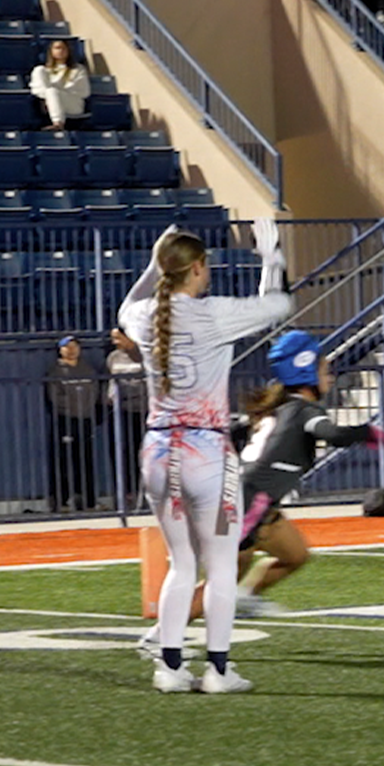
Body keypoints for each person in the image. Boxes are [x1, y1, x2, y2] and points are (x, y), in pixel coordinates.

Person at [120, 221, 291, 694]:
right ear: (196, 268)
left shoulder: (145, 315)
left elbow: (126, 307)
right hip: (207, 454)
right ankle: (218, 671)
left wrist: (153, 264)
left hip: (158, 451)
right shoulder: (213, 313)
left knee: (181, 564)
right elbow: (277, 305)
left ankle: (170, 668)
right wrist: (272, 257)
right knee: (219, 566)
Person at [145, 330, 384, 645]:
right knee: (222, 579)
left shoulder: (279, 409)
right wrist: (366, 432)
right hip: (246, 505)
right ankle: (162, 637)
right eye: (324, 369)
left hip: (255, 504)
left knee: (295, 555)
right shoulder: (305, 411)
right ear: (306, 371)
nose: (330, 377)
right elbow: (334, 435)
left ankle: (247, 597)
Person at [45, 334, 101, 514]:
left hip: (85, 419)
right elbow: (55, 397)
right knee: (63, 461)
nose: (71, 350)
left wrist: (87, 409)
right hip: (65, 420)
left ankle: (88, 501)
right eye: (67, 347)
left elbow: (95, 393)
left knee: (85, 460)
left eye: (75, 346)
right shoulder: (55, 372)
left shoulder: (88, 369)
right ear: (60, 350)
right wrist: (71, 409)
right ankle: (60, 501)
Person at [105, 327, 147, 511]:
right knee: (123, 454)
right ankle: (127, 496)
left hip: (143, 410)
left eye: (118, 338)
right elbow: (111, 383)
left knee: (145, 454)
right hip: (121, 412)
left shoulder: (145, 355)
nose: (115, 342)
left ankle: (146, 496)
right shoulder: (113, 357)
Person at [29, 39, 90, 131]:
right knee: (40, 73)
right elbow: (37, 89)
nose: (61, 51)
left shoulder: (78, 69)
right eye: (57, 48)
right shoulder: (44, 70)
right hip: (48, 102)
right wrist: (49, 96)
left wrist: (56, 91)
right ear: (51, 51)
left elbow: (84, 91)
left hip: (72, 102)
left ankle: (58, 123)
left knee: (52, 91)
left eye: (63, 48)